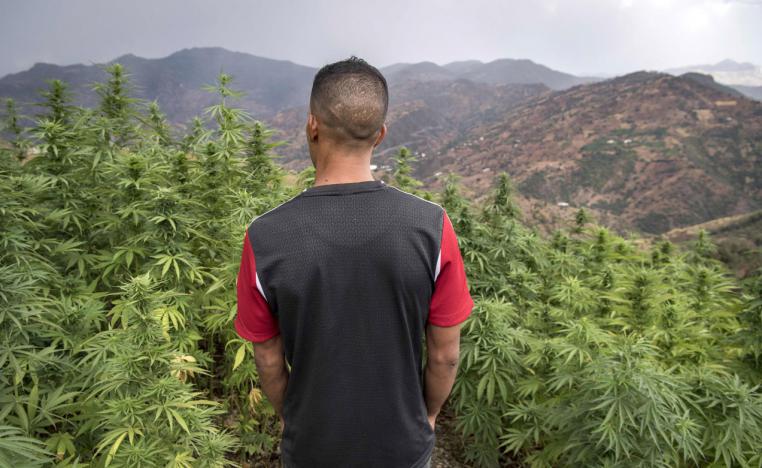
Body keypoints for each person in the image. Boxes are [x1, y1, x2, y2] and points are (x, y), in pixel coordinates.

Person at [234, 56, 474, 468]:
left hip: (313, 448)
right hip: (402, 448)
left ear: (312, 125)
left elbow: (269, 359)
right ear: (380, 134)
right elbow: (444, 355)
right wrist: (427, 417)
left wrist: (293, 420)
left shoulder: (264, 237)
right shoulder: (432, 227)